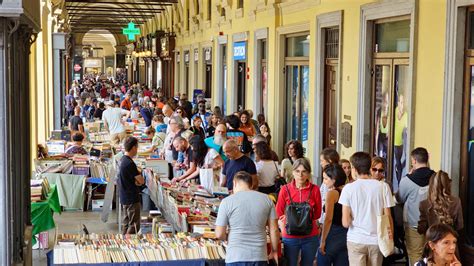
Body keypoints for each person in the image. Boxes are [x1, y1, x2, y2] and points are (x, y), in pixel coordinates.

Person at [339, 152, 394, 265]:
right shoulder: (383, 187)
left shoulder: (348, 189)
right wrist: (390, 238)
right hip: (376, 241)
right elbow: (388, 217)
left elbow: (345, 222)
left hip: (356, 239)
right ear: (369, 167)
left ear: (354, 169)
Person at [215, 171, 280, 265]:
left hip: (235, 257)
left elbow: (219, 234)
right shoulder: (267, 199)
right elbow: (274, 230)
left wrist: (227, 238)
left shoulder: (226, 202)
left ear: (234, 183)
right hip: (259, 256)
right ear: (251, 184)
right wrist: (274, 251)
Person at [276, 158, 322, 266]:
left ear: (308, 173)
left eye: (304, 171)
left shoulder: (315, 189)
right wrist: (284, 226)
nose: (300, 175)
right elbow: (278, 212)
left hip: (310, 236)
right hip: (290, 236)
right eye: (297, 171)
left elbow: (318, 214)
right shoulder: (285, 189)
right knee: (290, 264)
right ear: (293, 172)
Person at [396, 147, 435, 265]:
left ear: (413, 161)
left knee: (415, 255)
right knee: (433, 255)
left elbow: (399, 198)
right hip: (433, 224)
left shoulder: (407, 180)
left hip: (414, 224)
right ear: (427, 160)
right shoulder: (436, 177)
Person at [317, 164, 349, 266]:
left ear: (334, 180)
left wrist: (322, 241)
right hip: (346, 234)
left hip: (332, 234)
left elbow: (328, 219)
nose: (324, 182)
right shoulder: (348, 190)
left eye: (326, 179)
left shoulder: (332, 194)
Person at [418, 171, 463, 235]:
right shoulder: (456, 201)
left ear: (431, 186)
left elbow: (421, 230)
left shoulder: (424, 204)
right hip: (449, 242)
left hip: (433, 242)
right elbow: (459, 226)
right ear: (448, 185)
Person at [118, 137, 145, 234]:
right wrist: (138, 179)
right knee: (134, 224)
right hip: (131, 197)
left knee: (126, 222)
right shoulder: (130, 163)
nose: (137, 150)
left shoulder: (122, 160)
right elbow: (141, 181)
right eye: (137, 148)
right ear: (133, 148)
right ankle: (129, 242)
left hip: (124, 196)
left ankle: (123, 241)